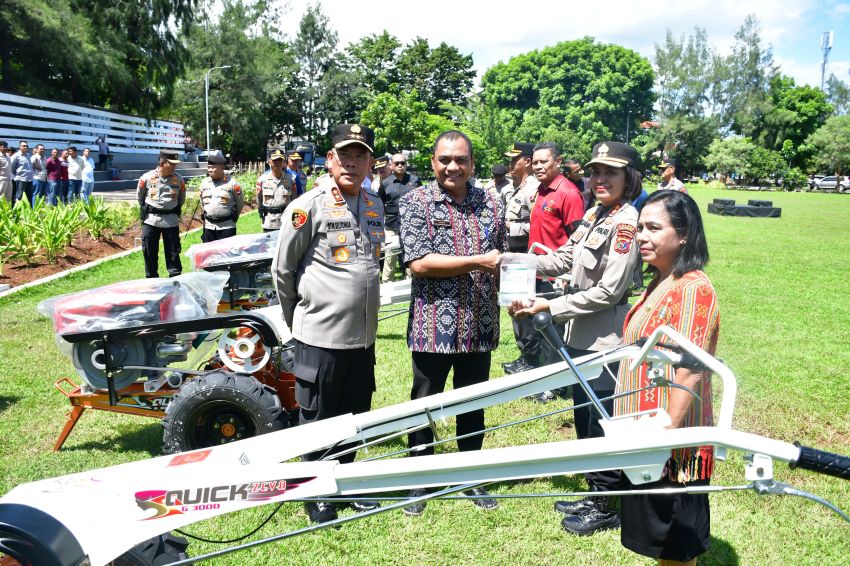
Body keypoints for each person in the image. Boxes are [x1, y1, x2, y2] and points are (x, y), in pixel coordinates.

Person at [509, 141, 643, 535]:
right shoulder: (597, 214)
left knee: (603, 417)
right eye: (596, 172)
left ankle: (605, 502)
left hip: (606, 336)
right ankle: (593, 492)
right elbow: (565, 257)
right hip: (580, 333)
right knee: (584, 415)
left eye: (611, 172)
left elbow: (609, 292)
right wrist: (515, 261)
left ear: (628, 178)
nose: (600, 179)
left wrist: (550, 308)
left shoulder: (626, 223)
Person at [273, 124, 384, 525]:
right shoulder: (309, 206)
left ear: (371, 162)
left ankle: (346, 484)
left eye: (361, 155)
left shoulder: (374, 204)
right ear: (331, 158)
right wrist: (298, 320)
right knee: (318, 416)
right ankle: (316, 494)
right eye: (345, 154)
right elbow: (283, 270)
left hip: (362, 338)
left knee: (354, 415)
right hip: (320, 336)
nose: (353, 162)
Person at [398, 130, 506, 516]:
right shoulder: (416, 202)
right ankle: (420, 480)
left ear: (472, 164)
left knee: (473, 401)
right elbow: (419, 263)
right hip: (433, 328)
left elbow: (502, 260)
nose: (452, 166)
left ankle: (468, 475)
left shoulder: (491, 203)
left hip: (480, 324)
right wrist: (478, 261)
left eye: (461, 159)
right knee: (424, 403)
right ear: (433, 162)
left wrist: (516, 285)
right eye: (445, 159)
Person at [615, 189, 719, 565]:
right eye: (640, 227)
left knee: (674, 545)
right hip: (647, 438)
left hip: (673, 448)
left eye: (653, 228)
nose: (641, 236)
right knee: (660, 543)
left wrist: (667, 430)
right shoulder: (662, 280)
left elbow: (690, 367)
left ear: (684, 234)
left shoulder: (693, 288)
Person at [501, 142, 540, 373]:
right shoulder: (519, 186)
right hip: (514, 255)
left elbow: (536, 225)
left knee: (523, 309)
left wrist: (509, 228)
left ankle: (531, 359)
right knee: (514, 307)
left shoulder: (533, 188)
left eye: (514, 159)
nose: (510, 163)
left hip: (525, 255)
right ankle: (524, 354)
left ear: (527, 161)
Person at [137, 150, 186, 278]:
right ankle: (152, 281)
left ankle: (175, 280)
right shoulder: (146, 178)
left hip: (171, 221)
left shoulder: (179, 180)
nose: (175, 166)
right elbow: (140, 198)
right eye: (172, 164)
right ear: (162, 163)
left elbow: (181, 199)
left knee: (173, 254)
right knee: (149, 252)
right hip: (151, 221)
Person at [379, 152, 420, 282]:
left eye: (403, 163)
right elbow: (379, 205)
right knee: (390, 257)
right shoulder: (385, 183)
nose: (400, 165)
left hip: (412, 226)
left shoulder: (415, 181)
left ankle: (412, 282)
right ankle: (386, 284)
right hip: (392, 226)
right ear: (391, 165)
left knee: (412, 255)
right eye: (397, 163)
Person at [199, 152, 243, 242]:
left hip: (227, 226)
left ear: (222, 168)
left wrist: (233, 217)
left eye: (213, 167)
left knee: (226, 254)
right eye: (209, 167)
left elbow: (239, 203)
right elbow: (202, 203)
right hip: (209, 227)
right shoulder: (204, 183)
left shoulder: (232, 183)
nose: (210, 170)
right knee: (209, 254)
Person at [256, 149, 294, 232]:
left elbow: (294, 199)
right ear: (269, 161)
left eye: (280, 160)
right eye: (274, 160)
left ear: (283, 162)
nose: (277, 162)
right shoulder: (262, 180)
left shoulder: (291, 180)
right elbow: (259, 199)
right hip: (269, 222)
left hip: (285, 222)